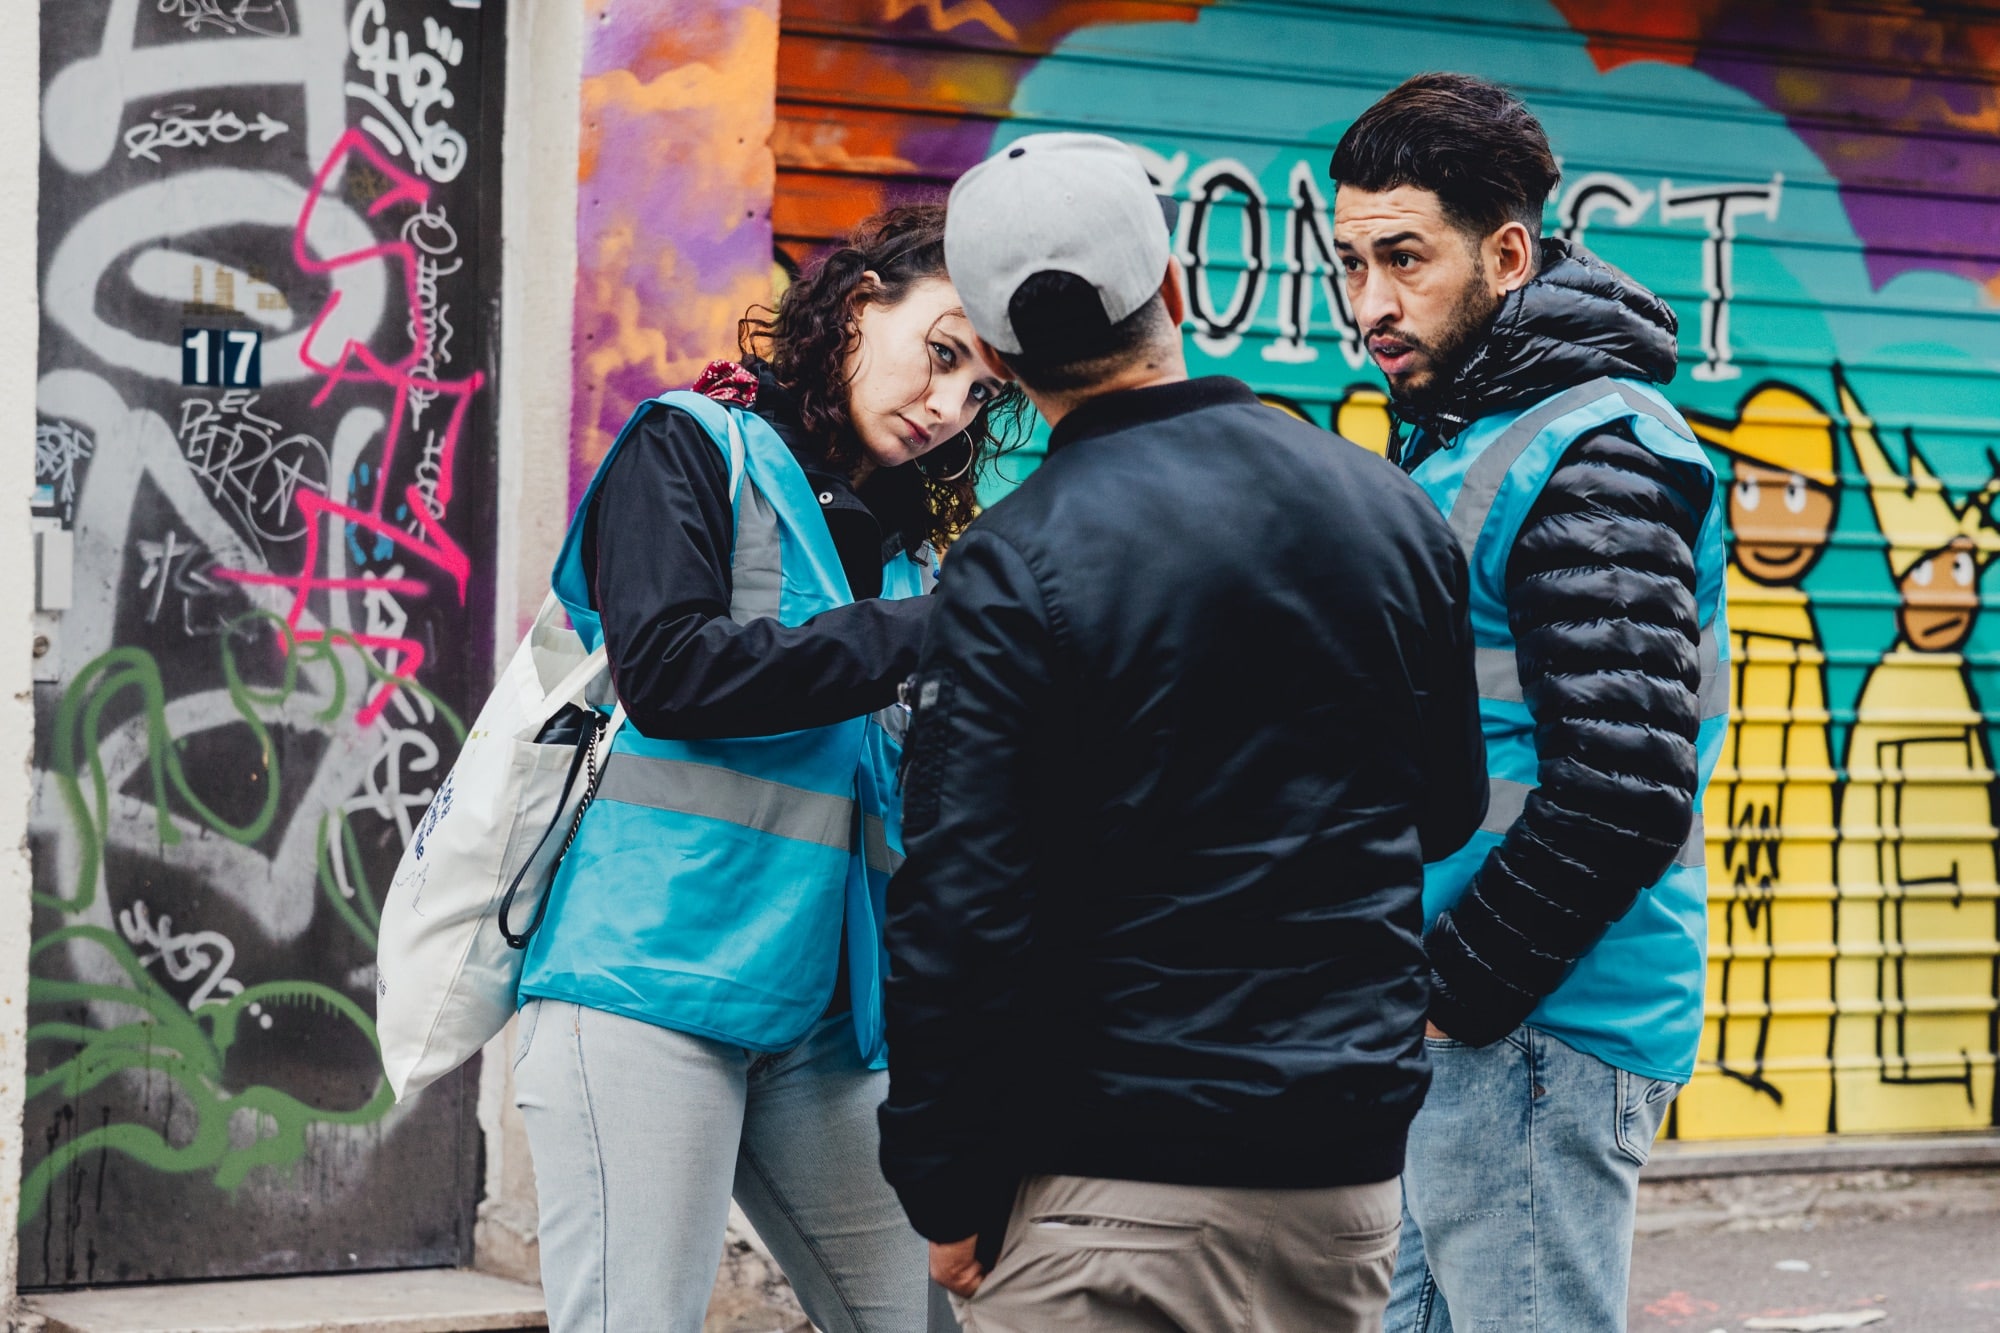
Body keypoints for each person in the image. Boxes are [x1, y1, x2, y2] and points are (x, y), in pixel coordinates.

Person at [877, 132, 1488, 1333]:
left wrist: (939, 1181)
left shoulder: (1009, 563)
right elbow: (1444, 808)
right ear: (1169, 289)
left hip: (1108, 1182)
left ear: (994, 355)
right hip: (1343, 1179)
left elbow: (959, 908)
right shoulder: (1390, 511)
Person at [512, 204, 1019, 1333]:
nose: (948, 407)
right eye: (941, 355)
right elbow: (671, 673)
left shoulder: (917, 543)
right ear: (856, 306)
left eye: (981, 391)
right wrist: (930, 626)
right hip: (650, 986)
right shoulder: (687, 442)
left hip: (832, 1017)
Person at [1328, 73, 1730, 1332]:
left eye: (1404, 258)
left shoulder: (1591, 451)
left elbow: (1621, 788)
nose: (1371, 304)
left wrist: (1451, 993)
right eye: (1351, 263)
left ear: (1504, 253)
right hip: (1470, 1030)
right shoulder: (1471, 428)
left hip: (1527, 1036)